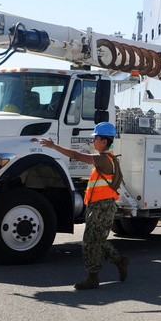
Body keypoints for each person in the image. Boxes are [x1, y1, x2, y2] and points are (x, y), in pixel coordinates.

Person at [35, 122, 130, 290]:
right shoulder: (109, 158)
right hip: (100, 206)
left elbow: (77, 156)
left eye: (96, 139)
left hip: (102, 207)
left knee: (90, 241)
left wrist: (54, 146)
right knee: (96, 241)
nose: (93, 141)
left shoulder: (103, 159)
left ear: (104, 141)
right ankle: (118, 261)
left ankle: (93, 277)